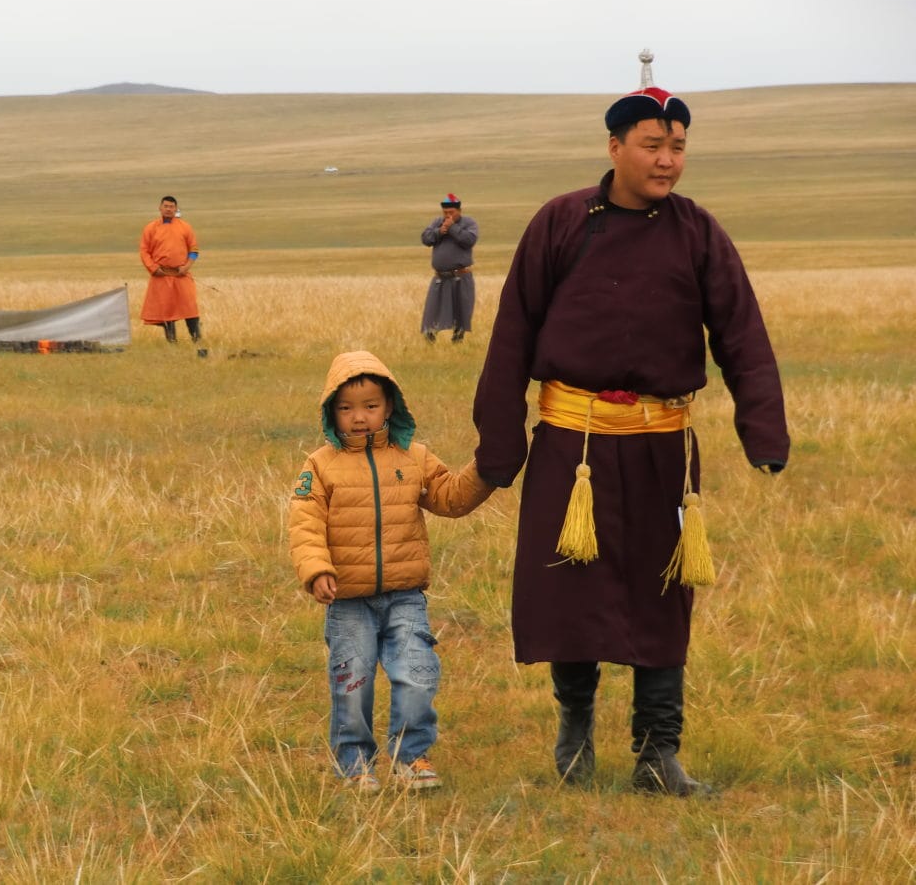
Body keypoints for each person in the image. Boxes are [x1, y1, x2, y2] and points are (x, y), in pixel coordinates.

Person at [472, 71, 789, 796]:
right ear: (614, 145)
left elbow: (741, 334)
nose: (668, 160)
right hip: (571, 443)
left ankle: (657, 753)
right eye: (652, 145)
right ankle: (575, 730)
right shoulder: (560, 223)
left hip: (661, 448)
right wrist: (500, 445)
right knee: (568, 591)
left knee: (662, 592)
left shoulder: (698, 232)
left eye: (678, 146)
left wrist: (762, 429)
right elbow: (512, 335)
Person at [289, 350, 494, 792]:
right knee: (352, 684)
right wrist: (316, 569)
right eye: (345, 408)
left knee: (417, 673)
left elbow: (451, 497)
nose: (358, 417)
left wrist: (486, 468)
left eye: (370, 406)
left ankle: (412, 756)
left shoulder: (413, 456)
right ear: (330, 411)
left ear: (390, 406)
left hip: (405, 597)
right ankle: (355, 764)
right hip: (347, 600)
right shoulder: (320, 466)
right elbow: (304, 522)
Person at [139, 196, 201, 345]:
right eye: (166, 206)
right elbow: (144, 251)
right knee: (167, 309)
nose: (168, 209)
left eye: (172, 206)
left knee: (190, 308)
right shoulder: (150, 228)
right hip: (161, 274)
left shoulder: (185, 227)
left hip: (181, 274)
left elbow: (193, 249)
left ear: (176, 209)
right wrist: (153, 268)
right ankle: (172, 342)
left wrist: (186, 267)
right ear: (160, 208)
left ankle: (197, 340)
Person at [420, 194, 478, 343]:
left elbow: (469, 240)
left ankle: (458, 340)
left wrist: (452, 228)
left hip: (460, 276)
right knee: (432, 312)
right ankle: (430, 339)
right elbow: (426, 238)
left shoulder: (468, 223)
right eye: (445, 213)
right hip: (440, 278)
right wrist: (439, 231)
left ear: (459, 211)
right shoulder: (437, 223)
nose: (448, 216)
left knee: (461, 311)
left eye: (451, 212)